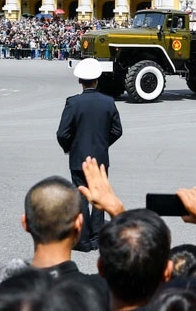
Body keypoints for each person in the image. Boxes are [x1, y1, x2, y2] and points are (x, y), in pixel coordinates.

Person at [56, 58, 122, 252]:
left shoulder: (73, 103)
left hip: (78, 157)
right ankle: (97, 237)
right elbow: (117, 130)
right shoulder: (108, 102)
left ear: (80, 81)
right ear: (97, 80)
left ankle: (83, 240)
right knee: (99, 197)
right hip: (100, 157)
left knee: (81, 196)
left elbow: (62, 133)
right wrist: (103, 144)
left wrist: (70, 147)